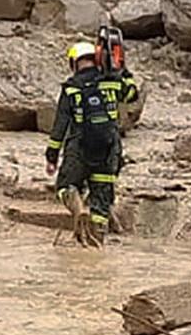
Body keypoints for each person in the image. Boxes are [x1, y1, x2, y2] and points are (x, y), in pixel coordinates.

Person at [44, 41, 135, 248]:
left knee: (65, 186)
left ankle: (78, 208)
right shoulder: (112, 82)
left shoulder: (71, 88)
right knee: (101, 199)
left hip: (79, 146)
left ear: (74, 63)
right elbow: (132, 95)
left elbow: (60, 125)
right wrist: (123, 70)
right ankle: (96, 243)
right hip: (108, 148)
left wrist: (52, 157)